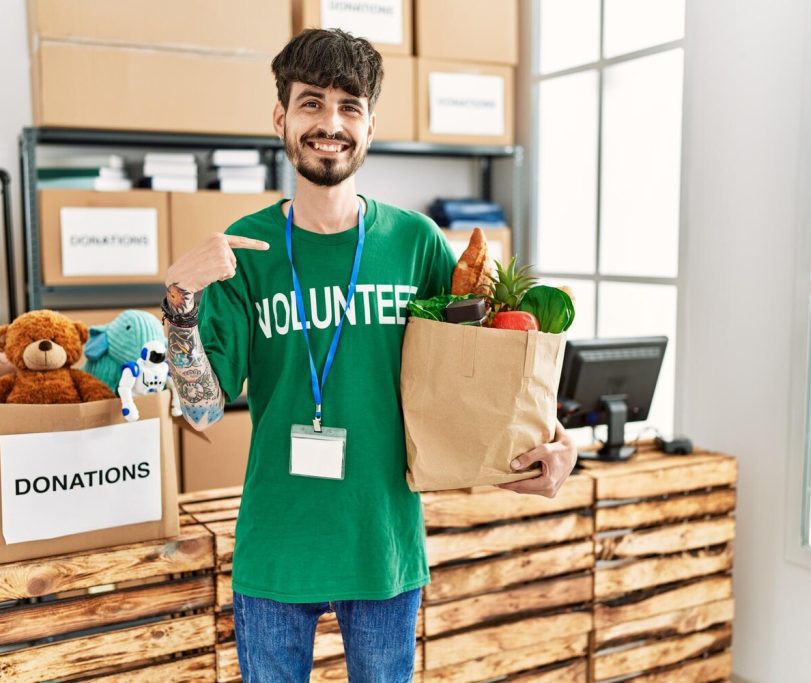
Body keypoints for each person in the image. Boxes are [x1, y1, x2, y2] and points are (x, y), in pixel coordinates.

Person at [161, 28, 578, 683]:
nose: (331, 122)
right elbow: (204, 409)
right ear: (281, 118)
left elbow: (493, 365)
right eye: (311, 103)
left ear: (370, 125)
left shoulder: (416, 243)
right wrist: (180, 302)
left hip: (383, 541)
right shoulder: (244, 249)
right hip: (276, 544)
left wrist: (558, 439)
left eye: (349, 106)